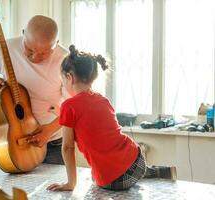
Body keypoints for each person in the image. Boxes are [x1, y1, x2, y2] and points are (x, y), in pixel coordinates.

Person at [47, 45, 177, 191]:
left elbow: (67, 147)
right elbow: (91, 124)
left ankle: (141, 173)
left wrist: (71, 183)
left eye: (62, 80)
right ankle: (153, 171)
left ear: (69, 77)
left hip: (115, 180)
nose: (63, 85)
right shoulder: (103, 100)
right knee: (106, 171)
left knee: (97, 178)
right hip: (137, 160)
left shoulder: (68, 106)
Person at [0, 15, 68, 165]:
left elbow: (74, 107)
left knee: (53, 187)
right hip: (14, 142)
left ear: (56, 44)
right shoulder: (7, 48)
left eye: (44, 53)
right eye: (30, 50)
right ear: (23, 33)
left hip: (53, 143)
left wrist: (49, 130)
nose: (35, 58)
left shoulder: (65, 61)